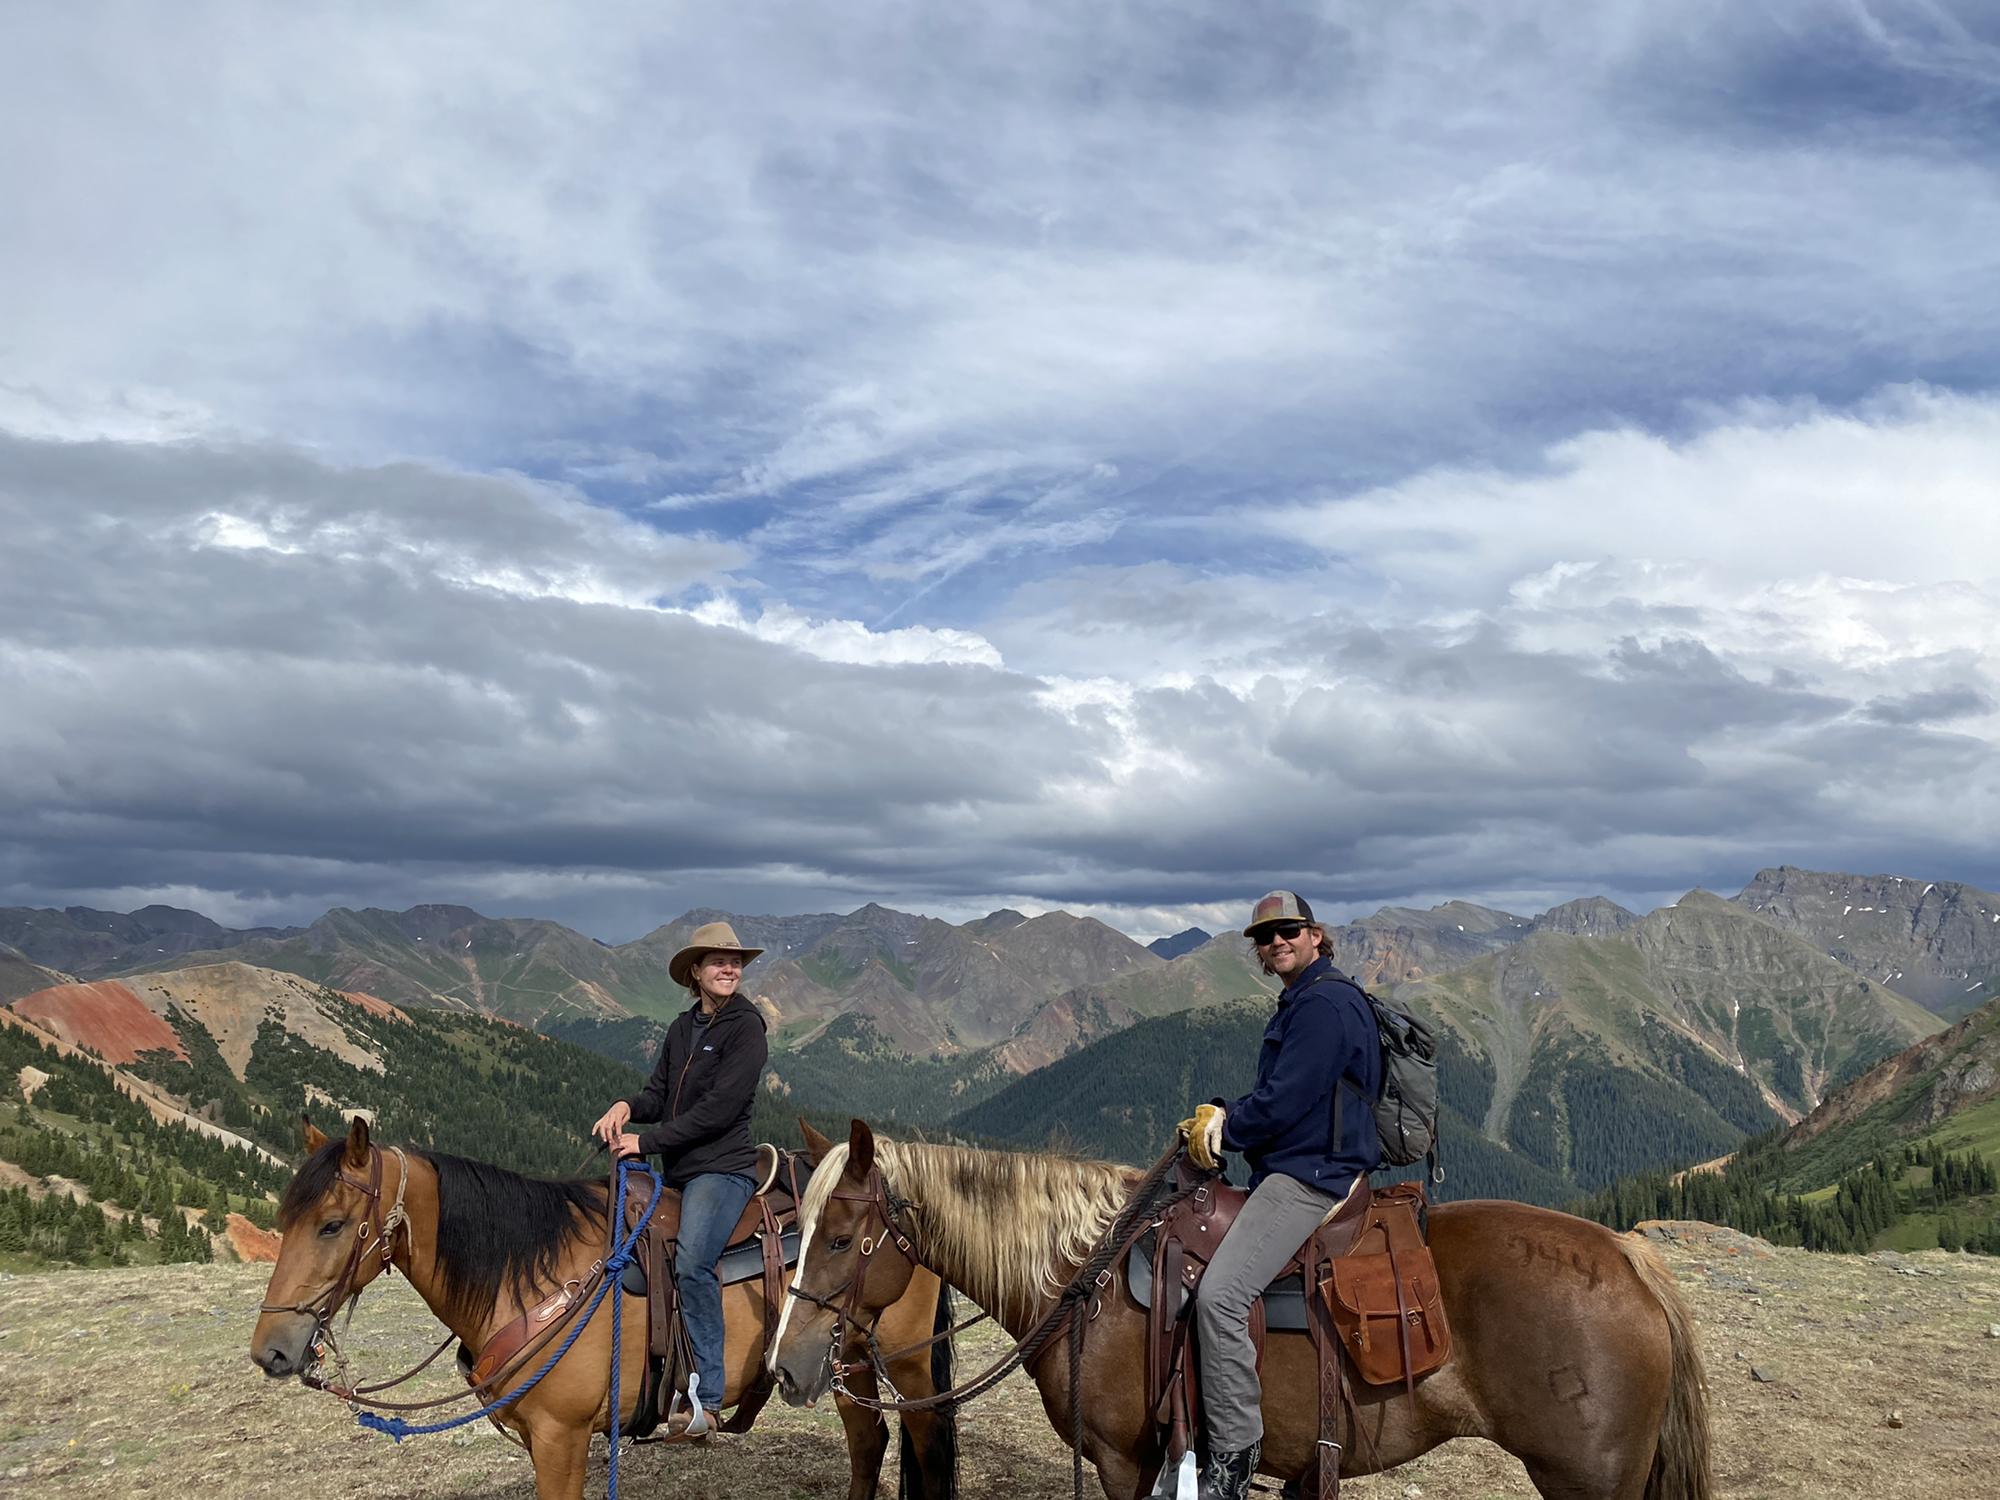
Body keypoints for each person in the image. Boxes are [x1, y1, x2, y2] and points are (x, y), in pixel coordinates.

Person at [1177, 891, 1382, 1500]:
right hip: (1299, 1164)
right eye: (1264, 937)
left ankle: (1232, 1462)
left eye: (1287, 931)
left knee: (1220, 1295)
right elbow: (1295, 1095)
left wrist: (1226, 1128)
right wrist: (1231, 1113)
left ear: (1315, 934)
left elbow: (1289, 1099)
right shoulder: (1309, 998)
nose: (1276, 943)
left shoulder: (1323, 1005)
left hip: (1310, 1177)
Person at [592, 920, 770, 1434]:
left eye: (735, 961)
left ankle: (708, 1396)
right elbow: (659, 1095)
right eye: (718, 960)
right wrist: (628, 1106)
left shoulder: (746, 1027)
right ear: (695, 971)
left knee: (692, 1263)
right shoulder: (682, 1028)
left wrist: (645, 1143)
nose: (729, 968)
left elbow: (720, 1110)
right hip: (681, 1170)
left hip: (723, 1169)